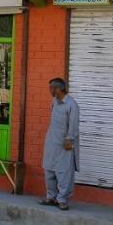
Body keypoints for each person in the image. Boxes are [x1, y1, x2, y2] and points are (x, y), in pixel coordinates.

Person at [40, 77, 80, 211]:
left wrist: (69, 139)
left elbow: (73, 125)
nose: (50, 91)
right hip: (51, 142)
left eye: (52, 88)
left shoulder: (72, 104)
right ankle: (51, 197)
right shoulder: (54, 101)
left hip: (65, 144)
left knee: (64, 173)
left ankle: (62, 200)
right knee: (49, 170)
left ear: (59, 89)